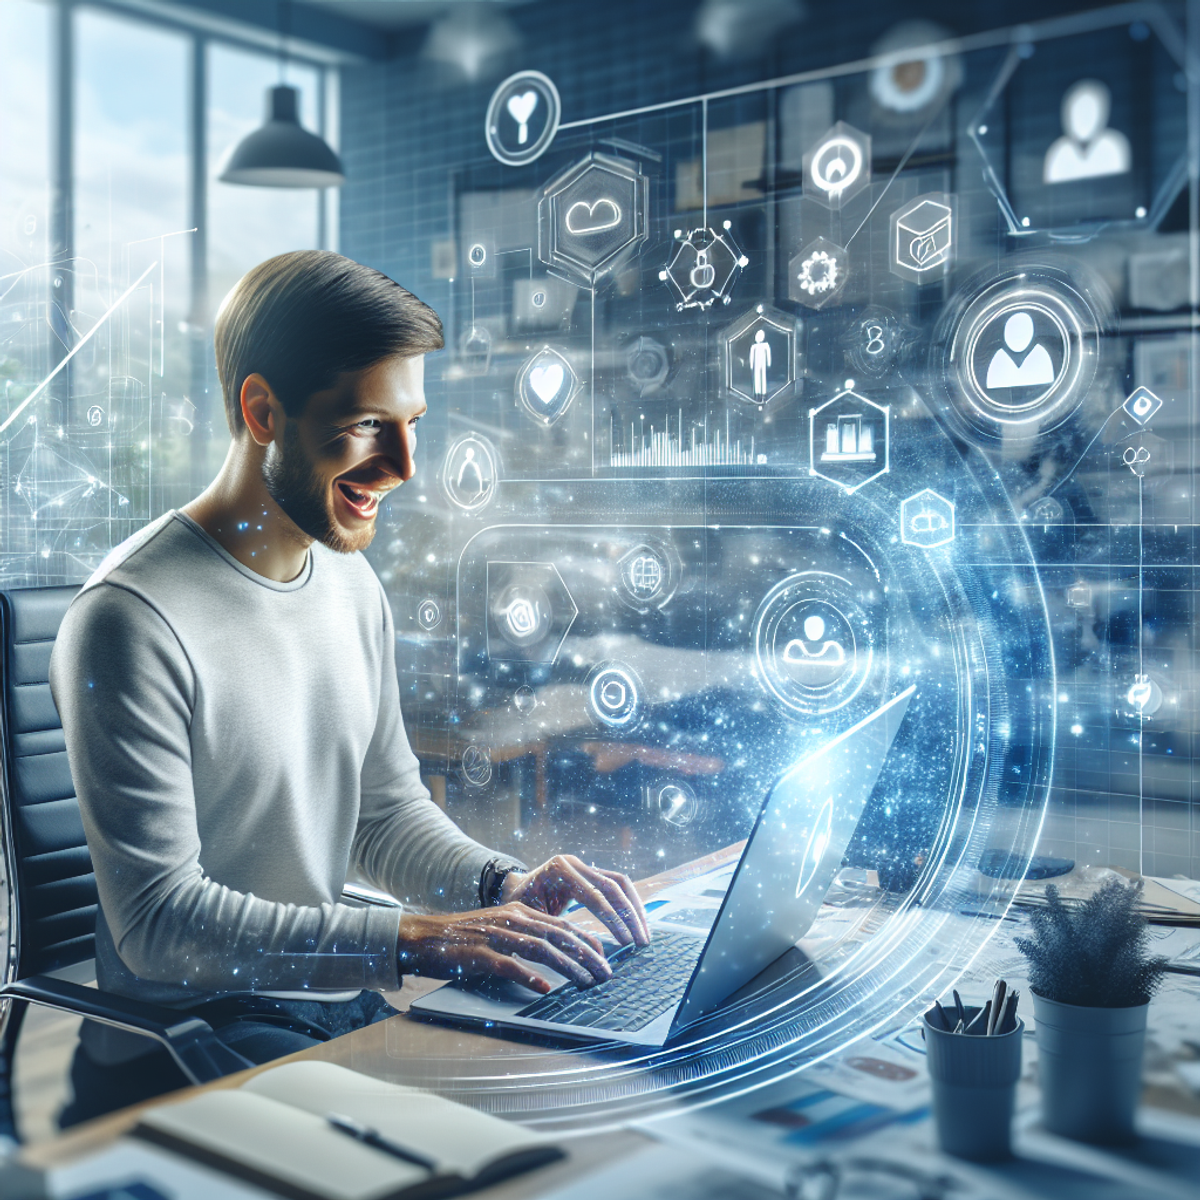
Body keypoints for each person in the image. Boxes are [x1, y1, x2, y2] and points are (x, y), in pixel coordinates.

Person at [50, 251, 650, 1123]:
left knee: (582, 1095)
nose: (404, 464)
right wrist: (416, 938)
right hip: (187, 1044)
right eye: (369, 424)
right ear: (263, 410)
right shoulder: (130, 617)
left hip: (329, 1003)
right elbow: (160, 927)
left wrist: (497, 890)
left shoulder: (347, 583)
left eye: (412, 422)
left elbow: (381, 812)